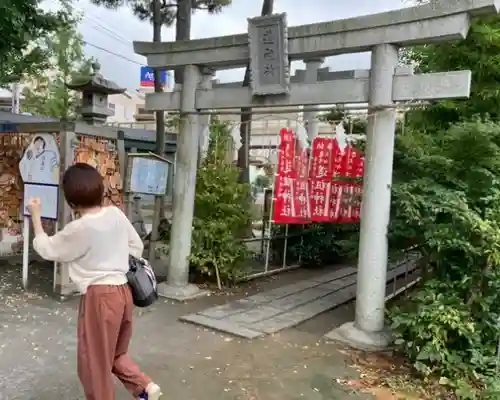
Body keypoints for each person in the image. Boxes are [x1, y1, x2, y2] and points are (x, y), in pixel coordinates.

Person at [27, 162, 162, 400]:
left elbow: (47, 249)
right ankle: (144, 388)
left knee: (93, 365)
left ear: (71, 201)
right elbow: (136, 246)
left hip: (100, 297)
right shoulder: (115, 215)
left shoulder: (79, 228)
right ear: (100, 190)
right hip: (123, 292)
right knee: (115, 353)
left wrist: (36, 218)